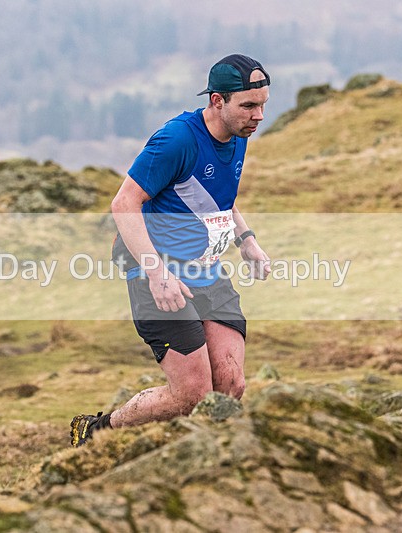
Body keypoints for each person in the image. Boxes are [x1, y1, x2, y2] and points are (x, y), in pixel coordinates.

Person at [70, 54, 272, 447]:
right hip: (158, 278)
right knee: (191, 395)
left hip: (208, 271)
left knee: (230, 384)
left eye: (263, 104)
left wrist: (246, 240)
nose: (258, 115)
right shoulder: (177, 139)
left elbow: (217, 200)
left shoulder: (238, 134)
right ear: (217, 101)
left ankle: (198, 457)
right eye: (248, 105)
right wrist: (156, 272)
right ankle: (97, 430)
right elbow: (123, 203)